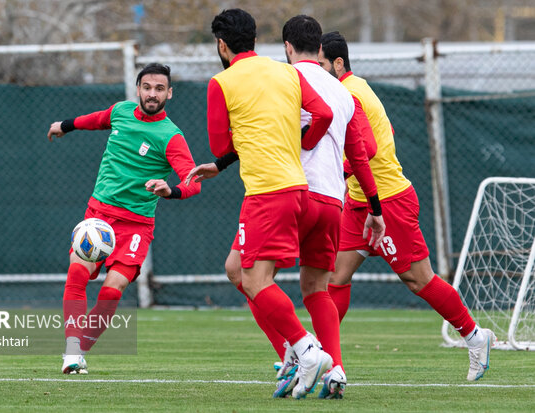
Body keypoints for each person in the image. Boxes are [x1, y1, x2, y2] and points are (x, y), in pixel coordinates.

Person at [188, 15, 386, 399]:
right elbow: (365, 153)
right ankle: (336, 369)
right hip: (332, 197)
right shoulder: (344, 92)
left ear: (287, 47)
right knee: (317, 288)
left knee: (245, 274)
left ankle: (297, 350)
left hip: (283, 190)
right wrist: (374, 207)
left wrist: (228, 159)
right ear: (324, 51)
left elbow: (249, 134)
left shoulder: (281, 75)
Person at [319, 31, 496, 382]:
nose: (317, 70)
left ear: (338, 63)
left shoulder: (350, 93)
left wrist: (334, 170)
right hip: (357, 201)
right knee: (335, 278)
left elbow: (366, 149)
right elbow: (387, 130)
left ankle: (476, 337)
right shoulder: (355, 89)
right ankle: (323, 358)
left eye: (321, 63)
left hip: (388, 201)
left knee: (418, 280)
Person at [203, 8, 334, 399]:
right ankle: (295, 351)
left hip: (266, 192)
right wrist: (301, 141)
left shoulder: (221, 82)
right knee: (234, 269)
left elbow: (221, 147)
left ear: (222, 45)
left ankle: (306, 349)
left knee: (255, 280)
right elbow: (322, 113)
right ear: (256, 41)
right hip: (296, 189)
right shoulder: (286, 72)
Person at [47, 63, 201, 374]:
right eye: (147, 87)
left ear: (169, 93)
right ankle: (73, 351)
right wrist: (66, 124)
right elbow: (97, 120)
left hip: (135, 226)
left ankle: (78, 349)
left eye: (159, 89)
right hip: (98, 216)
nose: (152, 94)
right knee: (77, 276)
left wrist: (170, 191)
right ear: (138, 89)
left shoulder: (171, 136)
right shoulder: (121, 111)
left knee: (111, 290)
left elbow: (193, 181)